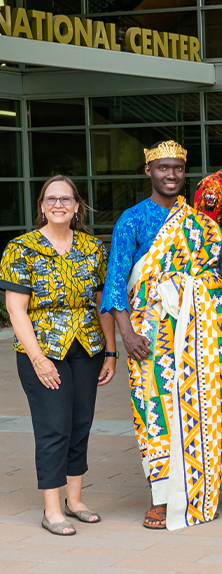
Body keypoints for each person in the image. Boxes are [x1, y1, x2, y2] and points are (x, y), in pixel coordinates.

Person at [101, 141, 222, 530]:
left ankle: (198, 494)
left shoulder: (203, 224)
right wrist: (127, 334)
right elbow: (115, 282)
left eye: (177, 168)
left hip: (199, 339)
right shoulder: (132, 220)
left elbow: (220, 279)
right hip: (149, 336)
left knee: (208, 410)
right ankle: (161, 499)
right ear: (149, 172)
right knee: (154, 413)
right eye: (163, 168)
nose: (171, 175)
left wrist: (185, 286)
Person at [2, 177, 114, 536]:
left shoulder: (94, 248)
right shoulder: (21, 248)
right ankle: (52, 509)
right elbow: (16, 310)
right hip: (43, 349)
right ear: (42, 205)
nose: (59, 204)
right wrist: (38, 358)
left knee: (80, 424)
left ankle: (75, 500)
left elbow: (102, 304)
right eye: (51, 199)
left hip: (87, 348)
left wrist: (111, 352)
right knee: (53, 427)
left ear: (77, 206)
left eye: (66, 199)